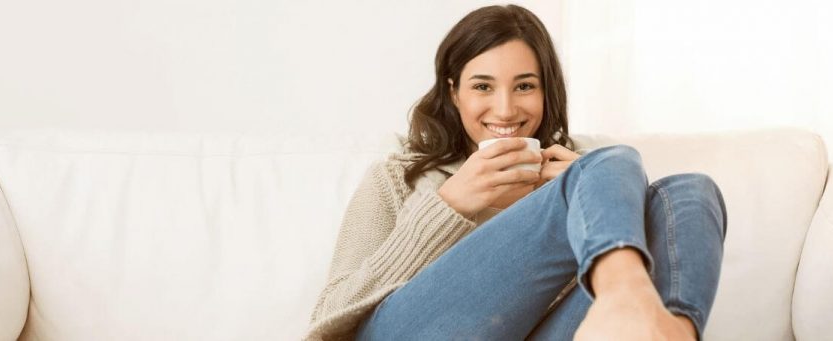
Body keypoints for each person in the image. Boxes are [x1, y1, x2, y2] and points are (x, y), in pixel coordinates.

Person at [305, 4, 727, 341]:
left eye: (525, 86)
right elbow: (328, 320)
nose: (505, 109)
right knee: (613, 160)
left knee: (688, 192)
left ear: (547, 91)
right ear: (453, 93)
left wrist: (581, 191)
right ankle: (622, 295)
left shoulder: (576, 170)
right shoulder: (397, 176)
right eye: (482, 87)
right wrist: (449, 205)